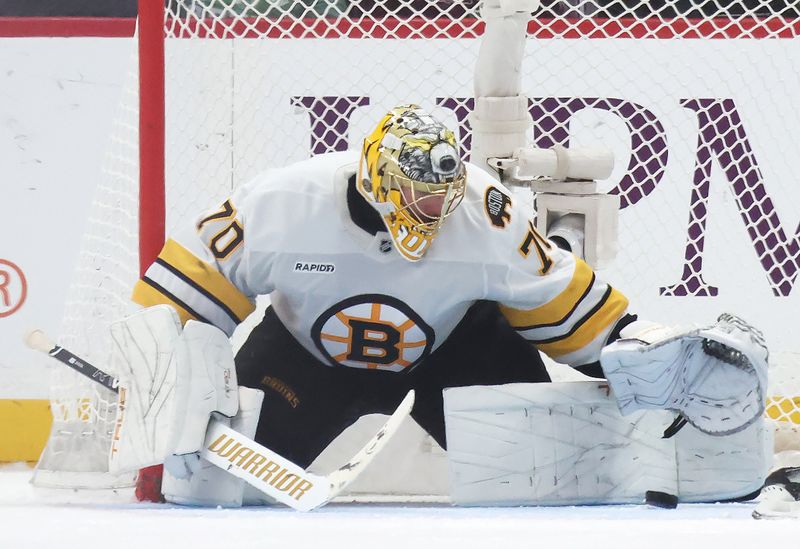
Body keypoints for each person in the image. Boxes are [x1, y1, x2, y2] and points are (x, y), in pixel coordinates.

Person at [126, 105, 767, 502]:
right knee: (211, 489)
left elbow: (570, 311)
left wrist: (642, 350)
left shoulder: (485, 217)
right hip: (302, 361)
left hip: (451, 357)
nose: (434, 213)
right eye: (419, 197)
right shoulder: (278, 204)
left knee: (543, 483)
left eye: (442, 197)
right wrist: (158, 389)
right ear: (378, 177)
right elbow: (176, 303)